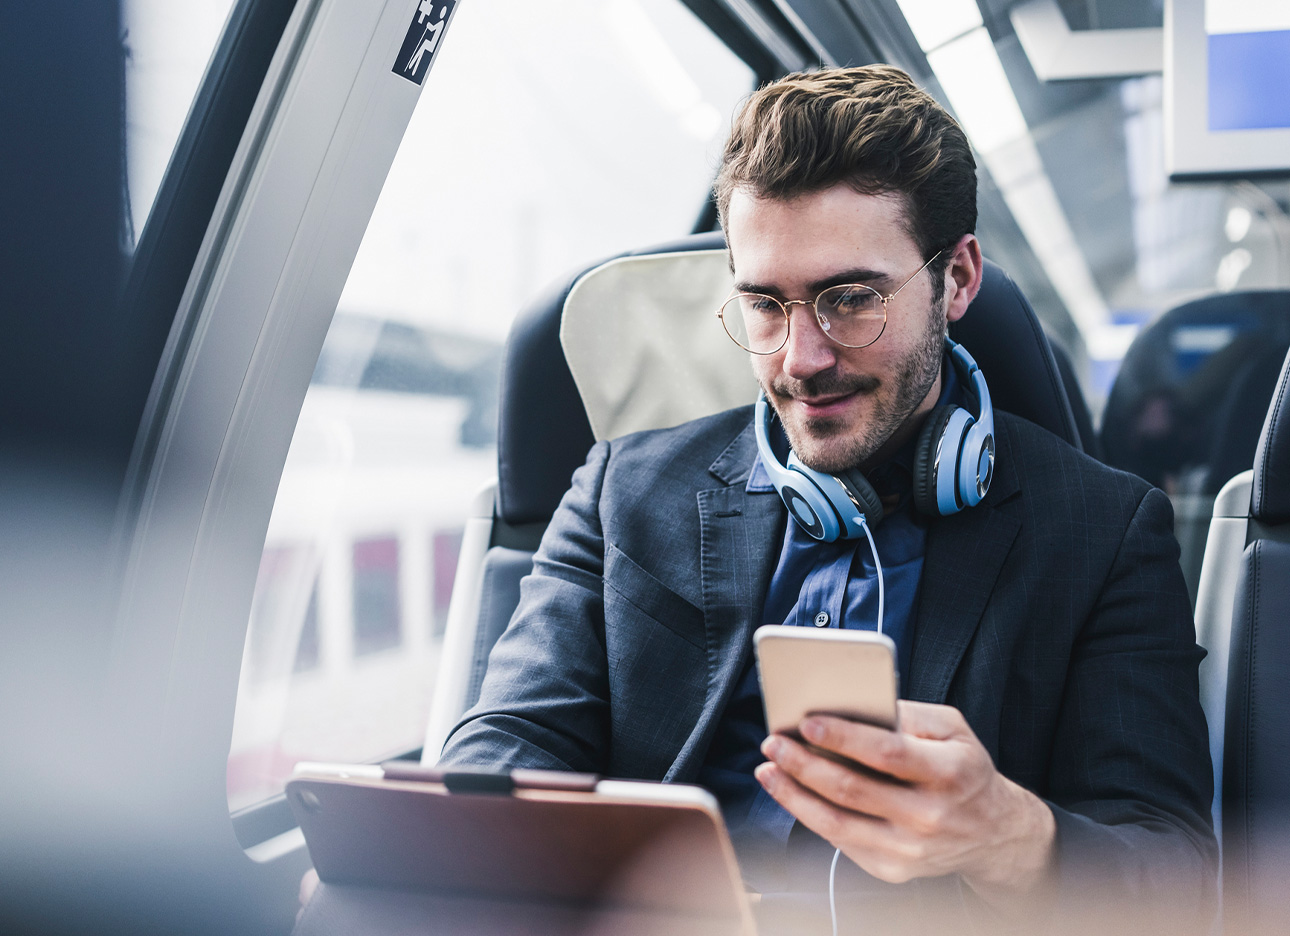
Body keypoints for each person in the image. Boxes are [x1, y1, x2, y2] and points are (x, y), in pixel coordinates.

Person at [439, 66, 1215, 932]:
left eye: (851, 299)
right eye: (766, 305)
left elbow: (1177, 881)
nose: (801, 358)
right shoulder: (625, 489)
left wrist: (1010, 837)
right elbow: (505, 746)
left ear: (956, 280)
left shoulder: (1102, 531)